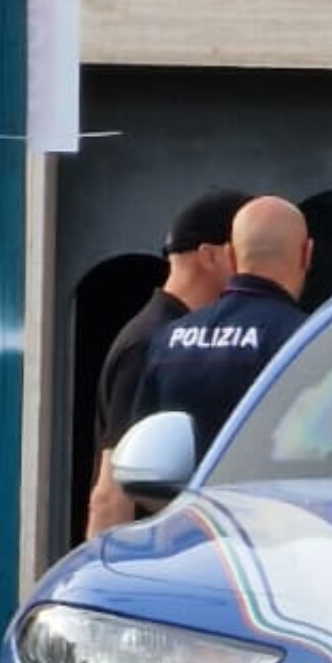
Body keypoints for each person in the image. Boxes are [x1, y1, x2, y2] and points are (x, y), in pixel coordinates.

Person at [85, 187, 251, 539]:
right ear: (210, 256)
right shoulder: (148, 344)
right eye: (244, 253)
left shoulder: (174, 337)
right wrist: (108, 569)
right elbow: (111, 493)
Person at [132, 194, 315, 464]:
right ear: (307, 253)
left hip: (188, 492)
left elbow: (141, 455)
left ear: (230, 255)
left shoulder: (168, 340)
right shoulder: (309, 339)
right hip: (270, 490)